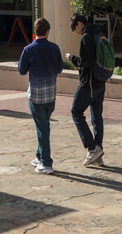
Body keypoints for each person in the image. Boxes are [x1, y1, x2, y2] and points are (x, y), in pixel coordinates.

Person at [17, 17, 63, 174]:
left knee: (42, 128)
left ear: (34, 32)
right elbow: (59, 68)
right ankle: (39, 155)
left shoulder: (28, 49)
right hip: (50, 94)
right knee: (44, 126)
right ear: (48, 31)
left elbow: (22, 70)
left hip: (36, 95)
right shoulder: (55, 48)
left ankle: (46, 162)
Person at [69, 13, 106, 167]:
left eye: (75, 29)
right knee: (97, 117)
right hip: (100, 82)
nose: (77, 32)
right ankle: (98, 153)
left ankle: (92, 148)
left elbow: (85, 62)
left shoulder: (86, 37)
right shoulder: (99, 33)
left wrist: (72, 58)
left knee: (76, 112)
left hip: (88, 83)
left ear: (79, 24)